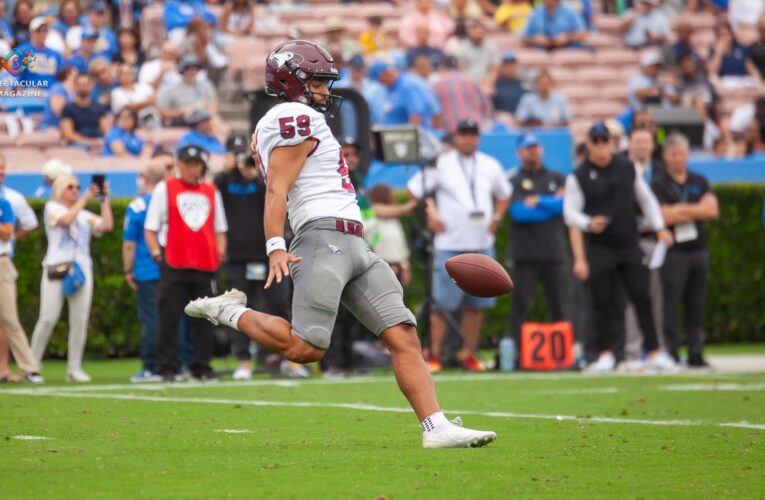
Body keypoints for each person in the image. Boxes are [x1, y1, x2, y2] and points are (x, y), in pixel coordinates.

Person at [185, 40, 496, 448]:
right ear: (290, 81)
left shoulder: (299, 116)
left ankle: (436, 427)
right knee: (305, 348)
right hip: (322, 236)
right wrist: (276, 244)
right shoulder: (292, 115)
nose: (325, 91)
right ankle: (228, 310)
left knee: (403, 334)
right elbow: (277, 188)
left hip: (355, 241)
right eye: (316, 81)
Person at [563, 124, 677, 373]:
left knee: (642, 296)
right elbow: (570, 212)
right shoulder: (579, 175)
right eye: (597, 140)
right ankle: (605, 353)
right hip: (600, 246)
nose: (602, 145)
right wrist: (588, 223)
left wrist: (659, 227)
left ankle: (654, 351)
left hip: (628, 243)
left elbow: (646, 199)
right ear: (590, 144)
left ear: (611, 143)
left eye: (606, 140)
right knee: (602, 301)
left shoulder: (626, 167)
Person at [407, 119, 512, 374]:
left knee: (477, 306)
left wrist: (497, 218)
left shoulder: (490, 164)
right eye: (464, 134)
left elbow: (505, 193)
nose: (468, 139)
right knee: (441, 305)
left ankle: (469, 355)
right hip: (449, 244)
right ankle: (435, 354)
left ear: (478, 137)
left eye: (473, 134)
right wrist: (431, 212)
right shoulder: (441, 163)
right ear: (456, 137)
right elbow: (413, 191)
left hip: (481, 244)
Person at [214, 148, 302, 380]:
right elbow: (211, 191)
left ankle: (291, 359)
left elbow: (278, 195)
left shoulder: (265, 179)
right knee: (240, 309)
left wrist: (258, 172)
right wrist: (226, 169)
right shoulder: (224, 181)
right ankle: (244, 360)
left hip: (268, 255)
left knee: (279, 304)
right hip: (237, 258)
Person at [145, 145, 228, 382]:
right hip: (174, 261)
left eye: (196, 164)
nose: (192, 168)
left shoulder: (211, 191)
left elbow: (220, 229)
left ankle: (201, 367)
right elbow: (151, 226)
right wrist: (155, 253)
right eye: (188, 163)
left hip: (205, 263)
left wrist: (219, 255)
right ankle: (167, 367)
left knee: (204, 320)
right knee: (169, 318)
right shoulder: (166, 187)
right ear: (179, 164)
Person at [30, 175, 114, 382]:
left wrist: (105, 199)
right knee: (48, 317)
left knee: (79, 321)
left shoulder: (84, 214)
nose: (75, 190)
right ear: (59, 189)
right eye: (70, 187)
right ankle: (31, 365)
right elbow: (65, 220)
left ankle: (74, 368)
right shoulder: (52, 207)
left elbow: (106, 226)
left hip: (81, 269)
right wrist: (84, 199)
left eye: (78, 187)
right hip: (56, 268)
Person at [651, 134, 719, 367]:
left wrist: (680, 209)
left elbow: (711, 210)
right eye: (674, 154)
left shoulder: (699, 180)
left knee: (696, 303)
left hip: (698, 249)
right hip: (674, 251)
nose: (678, 158)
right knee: (671, 303)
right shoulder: (658, 183)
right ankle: (671, 351)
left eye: (682, 153)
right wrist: (695, 209)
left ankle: (695, 352)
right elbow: (661, 214)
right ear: (665, 157)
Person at [507, 133, 566, 353]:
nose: (532, 151)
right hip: (525, 254)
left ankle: (563, 353)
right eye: (527, 147)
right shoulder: (513, 180)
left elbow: (564, 207)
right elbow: (519, 213)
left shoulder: (557, 177)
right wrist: (551, 205)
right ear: (519, 152)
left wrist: (539, 200)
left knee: (559, 304)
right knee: (520, 305)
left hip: (553, 252)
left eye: (535, 146)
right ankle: (518, 354)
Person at [0, 154, 43, 384]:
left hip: (2, 262)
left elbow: (7, 232)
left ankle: (29, 368)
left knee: (9, 319)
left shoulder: (6, 202)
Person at [123, 161, 167, 382]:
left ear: (146, 178)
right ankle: (174, 366)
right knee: (172, 318)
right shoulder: (171, 201)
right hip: (170, 268)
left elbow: (129, 243)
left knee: (151, 319)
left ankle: (151, 366)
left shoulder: (138, 206)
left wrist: (127, 269)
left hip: (147, 268)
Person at [432, 56, 493, 133]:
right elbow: (487, 106)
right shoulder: (472, 80)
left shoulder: (437, 84)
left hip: (451, 132)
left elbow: (434, 112)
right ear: (458, 66)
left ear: (442, 67)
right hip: (475, 129)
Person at [368, 61, 438, 128]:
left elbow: (415, 116)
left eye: (381, 81)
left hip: (411, 138)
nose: (382, 84)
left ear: (386, 73)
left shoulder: (407, 85)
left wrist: (409, 138)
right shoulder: (391, 88)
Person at [156, 55, 219, 128]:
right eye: (189, 69)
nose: (192, 72)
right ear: (183, 70)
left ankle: (229, 137)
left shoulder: (206, 85)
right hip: (183, 120)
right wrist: (180, 112)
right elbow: (160, 112)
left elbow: (214, 106)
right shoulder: (171, 89)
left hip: (204, 118)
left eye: (195, 69)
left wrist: (200, 109)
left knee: (212, 121)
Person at [60, 73, 113, 152]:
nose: (82, 87)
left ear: (91, 87)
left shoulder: (99, 107)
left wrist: (99, 142)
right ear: (75, 87)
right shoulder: (68, 108)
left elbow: (107, 131)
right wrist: (89, 142)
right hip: (77, 144)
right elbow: (68, 134)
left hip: (98, 142)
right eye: (79, 85)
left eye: (85, 85)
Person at [15, 17, 65, 91]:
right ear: (32, 32)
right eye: (38, 31)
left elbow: (61, 78)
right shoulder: (23, 51)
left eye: (44, 31)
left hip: (51, 93)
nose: (42, 34)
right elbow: (16, 76)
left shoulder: (55, 54)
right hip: (30, 92)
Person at [454, 20, 499, 92]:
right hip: (467, 84)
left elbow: (494, 70)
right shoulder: (461, 48)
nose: (479, 33)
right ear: (469, 32)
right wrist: (473, 85)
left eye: (481, 31)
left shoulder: (491, 47)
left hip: (486, 84)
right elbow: (460, 70)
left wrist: (487, 84)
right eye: (476, 31)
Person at [522, 0, 587, 50]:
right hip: (541, 51)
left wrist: (567, 37)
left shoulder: (570, 11)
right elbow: (523, 37)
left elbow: (583, 33)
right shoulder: (535, 13)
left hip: (566, 49)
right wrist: (535, 39)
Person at [39, 66, 78, 131]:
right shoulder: (58, 89)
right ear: (68, 75)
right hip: (52, 126)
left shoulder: (76, 91)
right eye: (76, 73)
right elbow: (58, 111)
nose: (78, 75)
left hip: (71, 126)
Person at [493, 52, 528, 118]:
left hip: (523, 122)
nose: (510, 68)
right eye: (507, 66)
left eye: (512, 65)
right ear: (502, 68)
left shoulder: (526, 85)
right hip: (503, 120)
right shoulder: (496, 85)